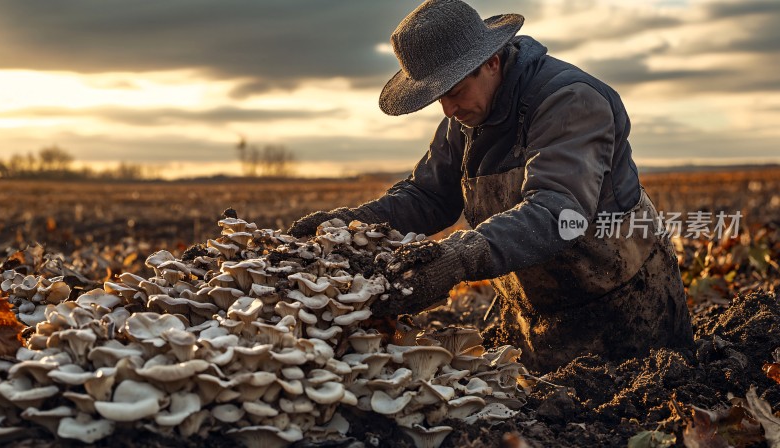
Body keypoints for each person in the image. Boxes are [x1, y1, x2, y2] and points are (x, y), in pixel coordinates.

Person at [288, 0, 694, 372]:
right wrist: (357, 222)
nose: (447, 109)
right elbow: (429, 195)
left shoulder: (569, 101)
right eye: (437, 98)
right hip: (536, 309)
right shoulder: (465, 120)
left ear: (493, 61)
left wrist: (461, 257)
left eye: (454, 91)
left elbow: (560, 213)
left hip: (624, 308)